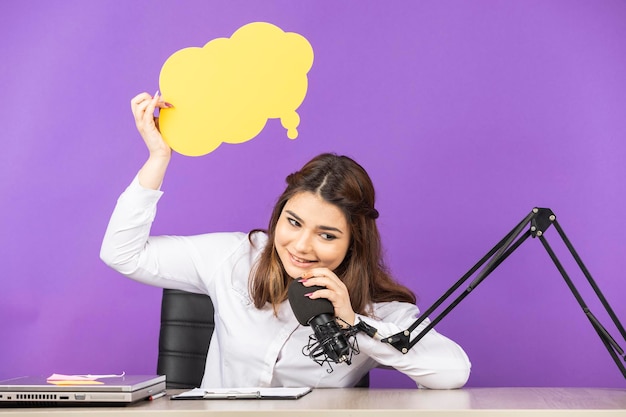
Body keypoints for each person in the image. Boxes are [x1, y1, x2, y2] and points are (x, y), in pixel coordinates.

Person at [100, 92, 471, 389]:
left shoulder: (376, 309)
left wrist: (354, 322)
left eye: (327, 235)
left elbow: (452, 372)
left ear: (354, 243)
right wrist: (158, 157)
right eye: (293, 222)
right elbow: (122, 253)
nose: (302, 245)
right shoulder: (235, 257)